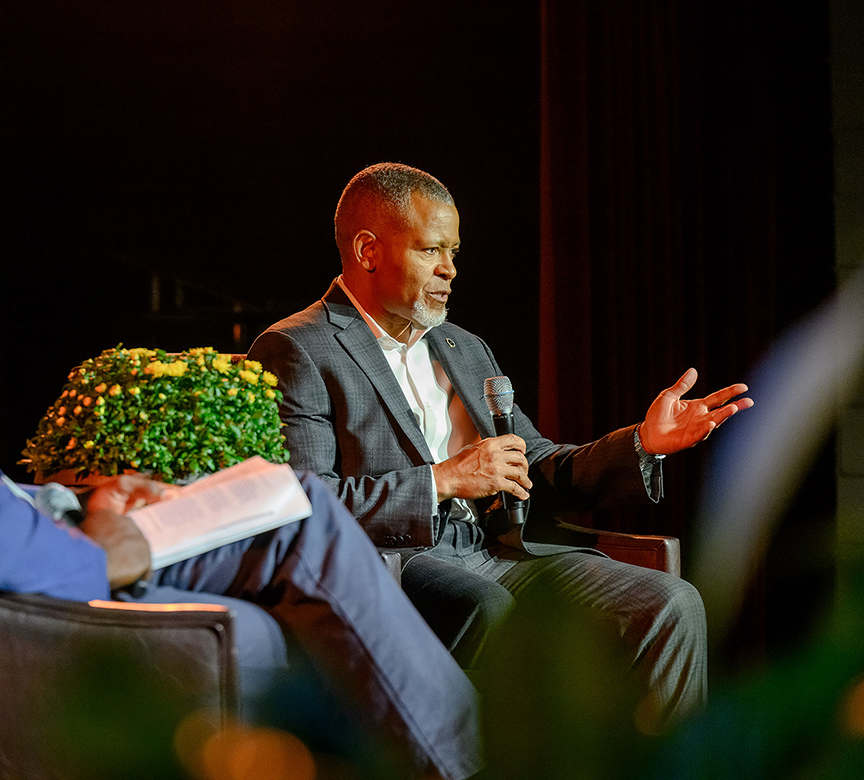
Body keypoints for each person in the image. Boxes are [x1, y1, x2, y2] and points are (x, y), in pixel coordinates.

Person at [0, 89, 480, 780]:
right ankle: (472, 762)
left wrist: (69, 497)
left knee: (261, 496)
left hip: (17, 530)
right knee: (297, 510)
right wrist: (110, 542)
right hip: (25, 568)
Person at [247, 162, 754, 731]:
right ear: (368, 250)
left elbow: (532, 464)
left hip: (498, 550)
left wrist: (641, 444)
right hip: (397, 564)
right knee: (492, 611)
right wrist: (443, 480)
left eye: (454, 252)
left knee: (670, 604)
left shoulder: (463, 348)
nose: (450, 270)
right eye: (431, 250)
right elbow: (304, 503)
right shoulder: (297, 348)